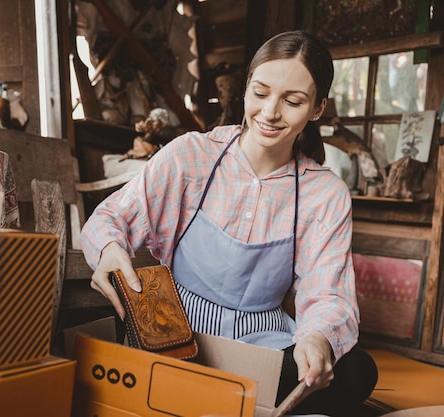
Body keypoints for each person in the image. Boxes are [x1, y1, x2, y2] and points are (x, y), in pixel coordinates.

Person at [79, 30, 378, 415]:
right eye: (260, 92)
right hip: (177, 332)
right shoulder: (193, 155)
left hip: (262, 343)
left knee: (355, 369)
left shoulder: (326, 194)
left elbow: (328, 293)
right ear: (246, 89)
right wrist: (108, 249)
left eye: (293, 101)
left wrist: (318, 339)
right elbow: (113, 215)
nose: (270, 112)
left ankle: (220, 399)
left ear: (317, 108)